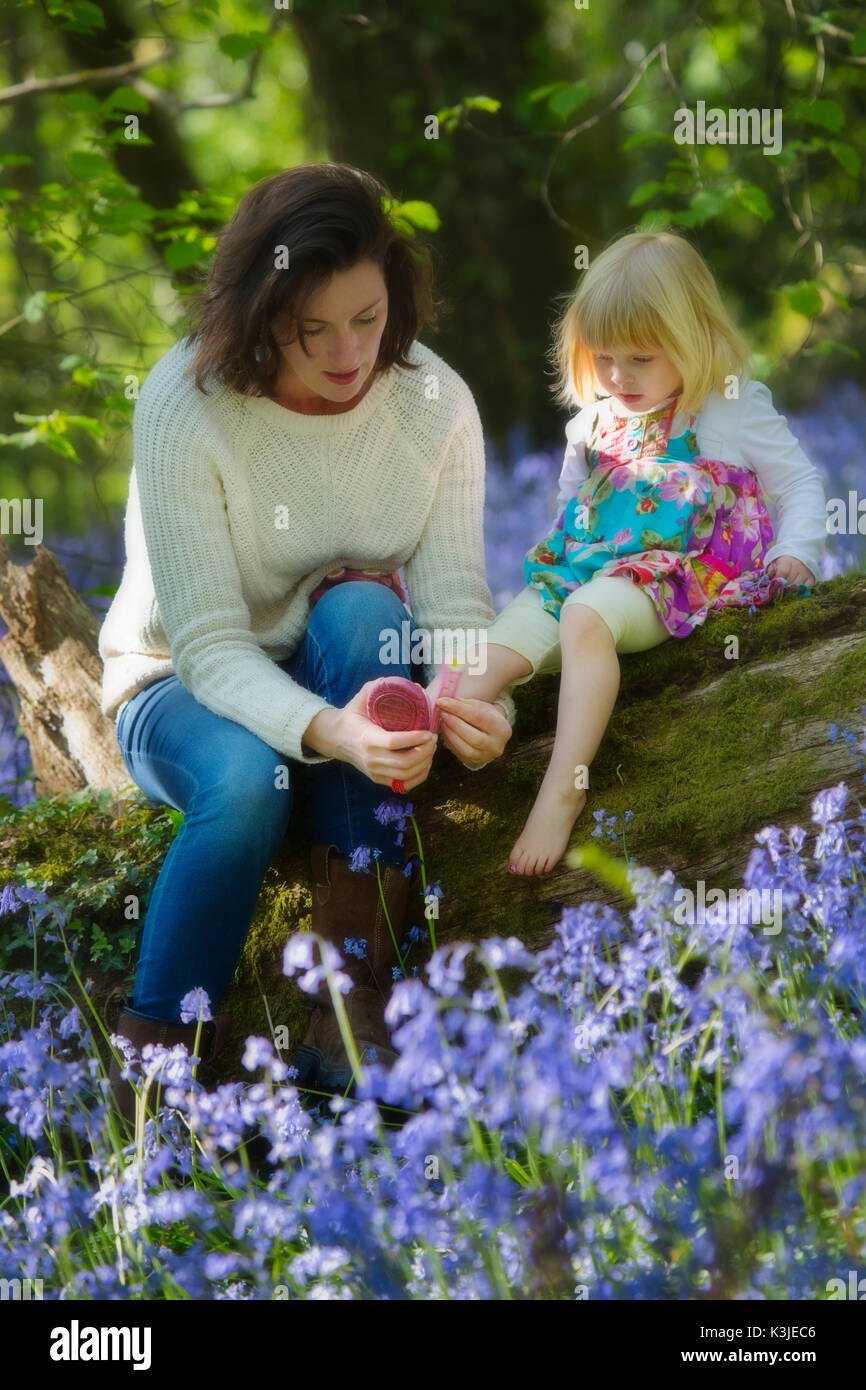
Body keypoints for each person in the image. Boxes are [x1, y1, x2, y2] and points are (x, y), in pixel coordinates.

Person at [98, 162, 513, 1115]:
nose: (345, 354)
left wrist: (476, 696)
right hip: (179, 682)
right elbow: (205, 648)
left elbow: (453, 603)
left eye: (366, 320)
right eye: (308, 329)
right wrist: (333, 733)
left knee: (369, 612)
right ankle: (155, 1088)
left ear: (395, 295)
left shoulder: (435, 404)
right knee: (247, 782)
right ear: (260, 314)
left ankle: (353, 1011)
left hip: (337, 667)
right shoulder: (186, 403)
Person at [456, 230, 827, 876]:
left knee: (584, 618)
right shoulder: (592, 425)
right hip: (591, 574)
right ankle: (461, 748)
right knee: (473, 669)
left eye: (641, 358)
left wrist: (796, 552)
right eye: (603, 359)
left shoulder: (727, 409)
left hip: (677, 578)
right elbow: (574, 516)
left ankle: (563, 786)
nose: (619, 376)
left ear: (695, 339)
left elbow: (798, 482)